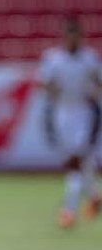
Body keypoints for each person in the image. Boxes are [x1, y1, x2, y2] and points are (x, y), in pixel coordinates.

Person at [38, 15, 102, 229]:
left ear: (80, 37)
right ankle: (94, 195)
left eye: (75, 35)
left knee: (77, 163)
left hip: (83, 113)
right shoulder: (53, 59)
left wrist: (94, 94)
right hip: (62, 115)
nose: (71, 39)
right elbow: (45, 85)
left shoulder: (90, 59)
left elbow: (98, 82)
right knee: (80, 162)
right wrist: (52, 90)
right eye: (68, 35)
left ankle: (69, 210)